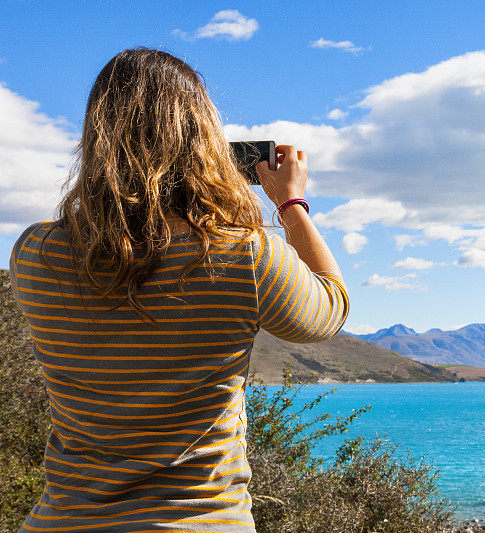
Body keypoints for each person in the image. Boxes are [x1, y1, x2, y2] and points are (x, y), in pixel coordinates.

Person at [9, 47, 349, 532]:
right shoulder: (242, 255)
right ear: (203, 143)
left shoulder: (35, 252)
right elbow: (331, 307)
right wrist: (290, 203)